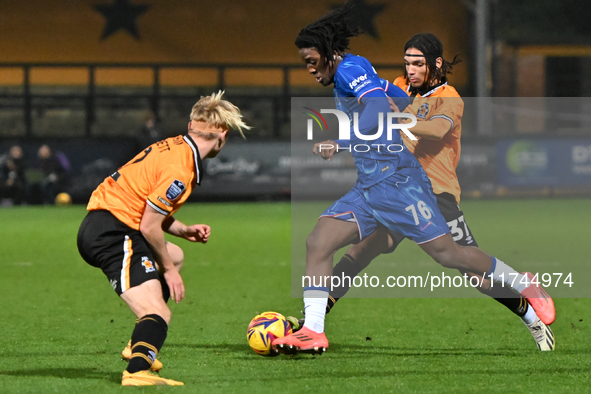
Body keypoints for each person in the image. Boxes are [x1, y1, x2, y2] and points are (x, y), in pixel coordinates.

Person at [273, 3, 554, 355]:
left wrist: (343, 140)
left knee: (451, 256)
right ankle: (313, 331)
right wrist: (395, 104)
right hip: (371, 187)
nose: (309, 69)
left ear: (328, 53)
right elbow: (395, 98)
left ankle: (521, 283)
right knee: (319, 242)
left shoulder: (352, 70)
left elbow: (379, 109)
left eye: (311, 60)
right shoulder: (358, 69)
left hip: (402, 185)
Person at [77, 91, 250, 386]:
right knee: (159, 310)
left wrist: (182, 230)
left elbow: (146, 206)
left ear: (190, 124)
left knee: (177, 254)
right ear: (222, 133)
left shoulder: (175, 147)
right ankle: (136, 371)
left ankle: (139, 344)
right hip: (113, 232)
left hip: (108, 224)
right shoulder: (181, 169)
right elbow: (148, 226)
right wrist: (168, 271)